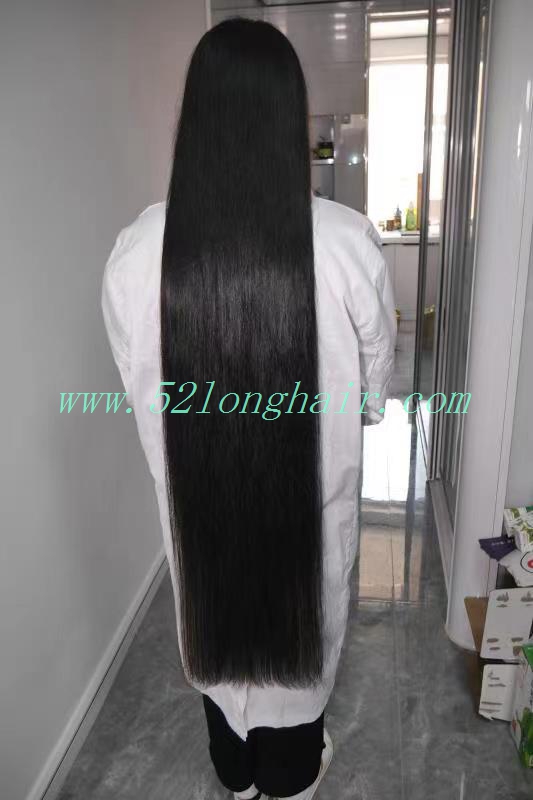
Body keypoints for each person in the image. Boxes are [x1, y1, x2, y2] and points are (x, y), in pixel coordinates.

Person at [102, 17, 395, 800]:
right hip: (309, 516)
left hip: (197, 511)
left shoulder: (138, 250)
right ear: (287, 119)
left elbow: (136, 382)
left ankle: (233, 775)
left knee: (215, 637)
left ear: (195, 118)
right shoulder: (346, 243)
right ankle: (291, 776)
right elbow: (372, 390)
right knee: (299, 646)